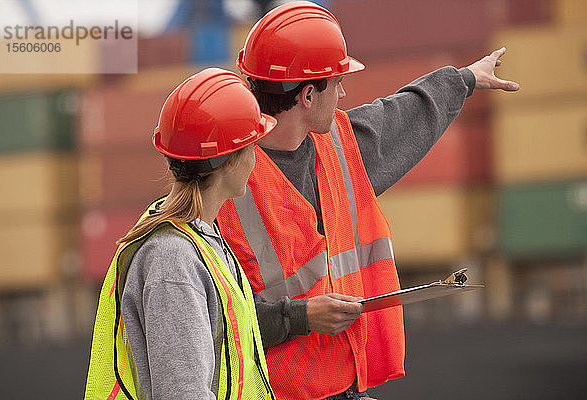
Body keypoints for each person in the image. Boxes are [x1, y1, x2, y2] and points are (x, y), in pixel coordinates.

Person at [215, 2, 520, 400]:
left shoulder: (342, 145)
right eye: (337, 82)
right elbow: (211, 323)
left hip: (347, 386)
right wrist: (300, 317)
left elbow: (401, 115)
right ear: (308, 95)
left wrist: (463, 80)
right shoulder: (220, 185)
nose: (344, 92)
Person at [84, 68, 278, 400]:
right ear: (229, 161)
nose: (256, 157)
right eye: (252, 145)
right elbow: (181, 392)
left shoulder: (203, 239)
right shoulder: (173, 260)